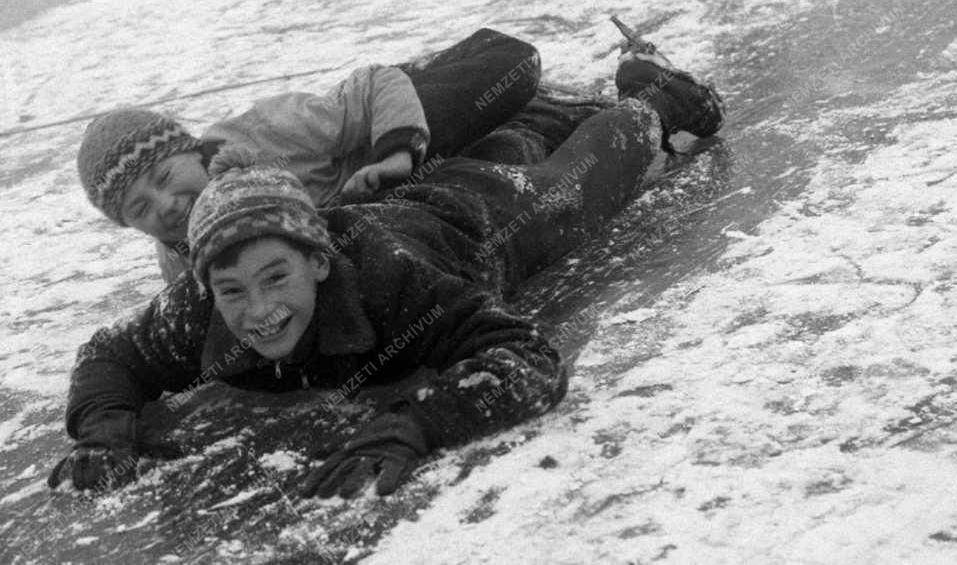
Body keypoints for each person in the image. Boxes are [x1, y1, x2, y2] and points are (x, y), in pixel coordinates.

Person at [49, 43, 724, 496]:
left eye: (276, 279)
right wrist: (105, 429)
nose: (256, 311)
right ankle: (543, 116)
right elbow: (112, 353)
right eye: (232, 292)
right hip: (377, 206)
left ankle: (660, 101)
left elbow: (527, 357)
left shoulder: (396, 286)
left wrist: (420, 422)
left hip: (466, 217)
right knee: (514, 141)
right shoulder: (207, 297)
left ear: (316, 263)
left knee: (570, 187)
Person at [74, 29, 544, 283]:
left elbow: (373, 84)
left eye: (163, 176)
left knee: (513, 65)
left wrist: (394, 155)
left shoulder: (265, 132)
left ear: (192, 152)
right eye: (139, 209)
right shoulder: (180, 262)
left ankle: (431, 72)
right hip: (370, 206)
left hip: (382, 138)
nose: (166, 205)